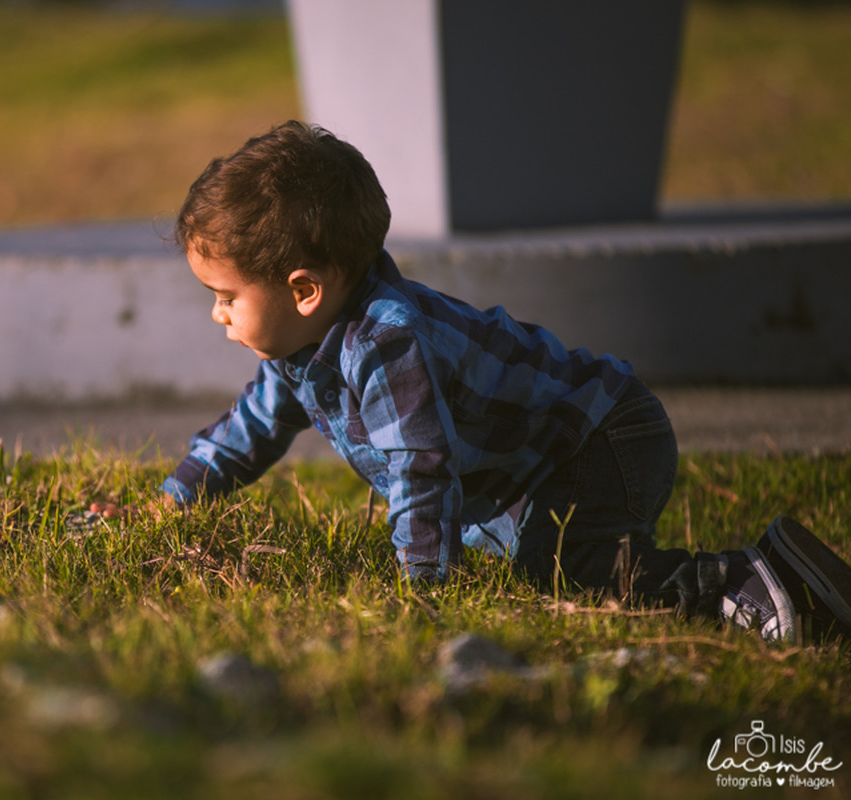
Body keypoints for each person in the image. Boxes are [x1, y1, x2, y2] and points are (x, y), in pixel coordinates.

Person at [148, 120, 851, 644]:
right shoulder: (302, 348)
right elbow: (249, 431)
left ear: (304, 291)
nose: (217, 313)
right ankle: (759, 572)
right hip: (536, 469)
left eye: (225, 295)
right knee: (520, 553)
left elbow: (419, 468)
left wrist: (422, 590)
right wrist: (173, 502)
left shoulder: (386, 344)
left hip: (602, 438)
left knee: (574, 571)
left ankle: (748, 583)